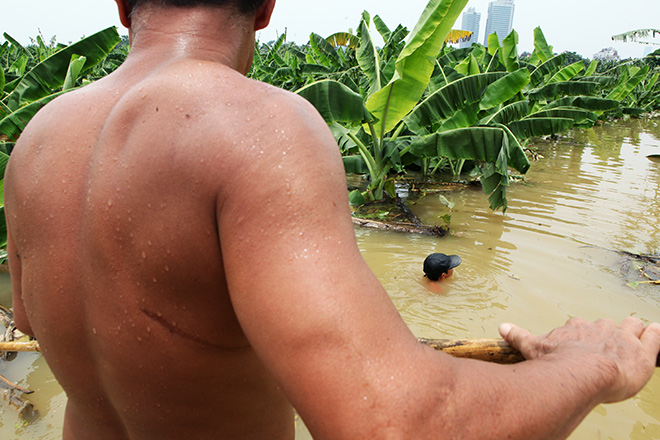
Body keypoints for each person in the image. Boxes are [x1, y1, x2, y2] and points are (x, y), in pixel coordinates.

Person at [3, 1, 660, 439]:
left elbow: (32, 321)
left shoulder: (37, 140)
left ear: (121, 4)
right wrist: (590, 365)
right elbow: (393, 423)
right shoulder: (255, 126)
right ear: (265, 5)